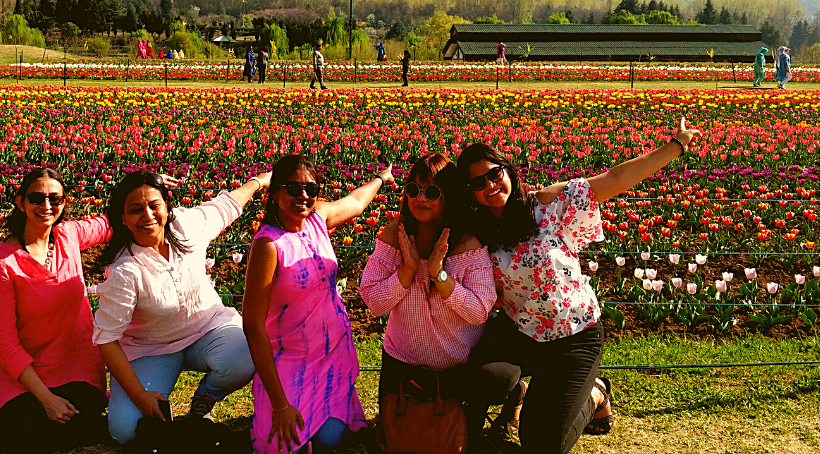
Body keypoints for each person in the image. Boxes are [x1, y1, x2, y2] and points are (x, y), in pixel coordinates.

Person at [460, 118, 701, 453]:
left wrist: (675, 146)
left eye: (494, 173)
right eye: (476, 183)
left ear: (507, 170)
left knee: (540, 444)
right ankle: (519, 395)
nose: (489, 185)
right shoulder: (477, 230)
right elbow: (429, 210)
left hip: (574, 335)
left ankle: (596, 394)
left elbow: (615, 178)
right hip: (520, 333)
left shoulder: (547, 206)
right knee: (483, 380)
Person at [93, 170, 269, 444]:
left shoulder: (186, 226)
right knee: (126, 430)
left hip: (209, 330)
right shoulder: (124, 270)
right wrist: (140, 396)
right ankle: (160, 410)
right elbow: (107, 339)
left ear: (167, 206)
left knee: (247, 352)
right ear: (123, 219)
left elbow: (227, 204)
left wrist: (260, 181)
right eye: (136, 210)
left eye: (155, 206)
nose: (148, 215)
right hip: (151, 348)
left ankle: (204, 400)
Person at [243, 155, 394, 454]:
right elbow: (252, 328)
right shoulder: (268, 246)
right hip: (289, 360)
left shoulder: (317, 220)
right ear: (275, 193)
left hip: (331, 353)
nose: (303, 196)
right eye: (293, 187)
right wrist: (279, 405)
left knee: (330, 439)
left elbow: (355, 202)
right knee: (282, 445)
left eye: (310, 189)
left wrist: (380, 178)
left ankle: (338, 400)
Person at [360, 153, 511, 446]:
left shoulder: (467, 244)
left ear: (448, 197)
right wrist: (407, 270)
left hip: (459, 367)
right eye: (413, 190)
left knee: (453, 441)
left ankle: (511, 396)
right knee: (400, 439)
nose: (421, 199)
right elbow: (373, 301)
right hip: (403, 362)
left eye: (432, 192)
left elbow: (479, 310)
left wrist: (439, 275)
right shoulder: (395, 236)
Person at [0, 168, 112, 454]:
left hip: (76, 369)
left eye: (55, 198)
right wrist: (46, 399)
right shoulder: (2, 267)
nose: (46, 206)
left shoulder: (69, 236)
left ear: (65, 202)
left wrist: (152, 184)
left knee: (72, 418)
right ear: (21, 202)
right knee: (28, 435)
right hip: (21, 377)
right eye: (37, 198)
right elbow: (4, 343)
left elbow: (116, 220)